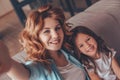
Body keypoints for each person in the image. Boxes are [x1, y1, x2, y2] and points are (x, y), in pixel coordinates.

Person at [0, 5, 90, 80]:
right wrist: (6, 60)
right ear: (36, 37)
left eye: (57, 28)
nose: (55, 35)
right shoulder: (39, 67)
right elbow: (20, 74)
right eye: (46, 31)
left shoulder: (68, 51)